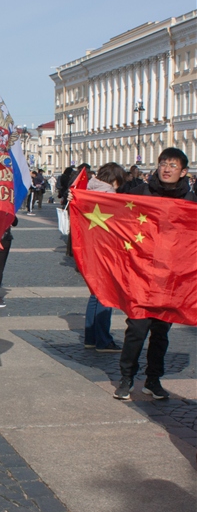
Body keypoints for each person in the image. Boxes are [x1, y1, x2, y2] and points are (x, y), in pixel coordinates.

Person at [114, 148, 196, 401]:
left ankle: (153, 379)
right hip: (141, 275)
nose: (166, 168)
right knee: (136, 329)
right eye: (163, 163)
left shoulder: (191, 202)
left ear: (183, 171)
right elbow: (115, 218)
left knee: (161, 333)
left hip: (172, 279)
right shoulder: (140, 194)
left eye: (173, 164)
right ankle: (126, 378)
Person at [79, 163, 126, 352]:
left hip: (91, 246)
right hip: (107, 248)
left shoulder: (89, 189)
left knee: (95, 294)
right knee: (106, 295)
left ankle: (91, 337)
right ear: (115, 179)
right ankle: (103, 340)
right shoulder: (109, 194)